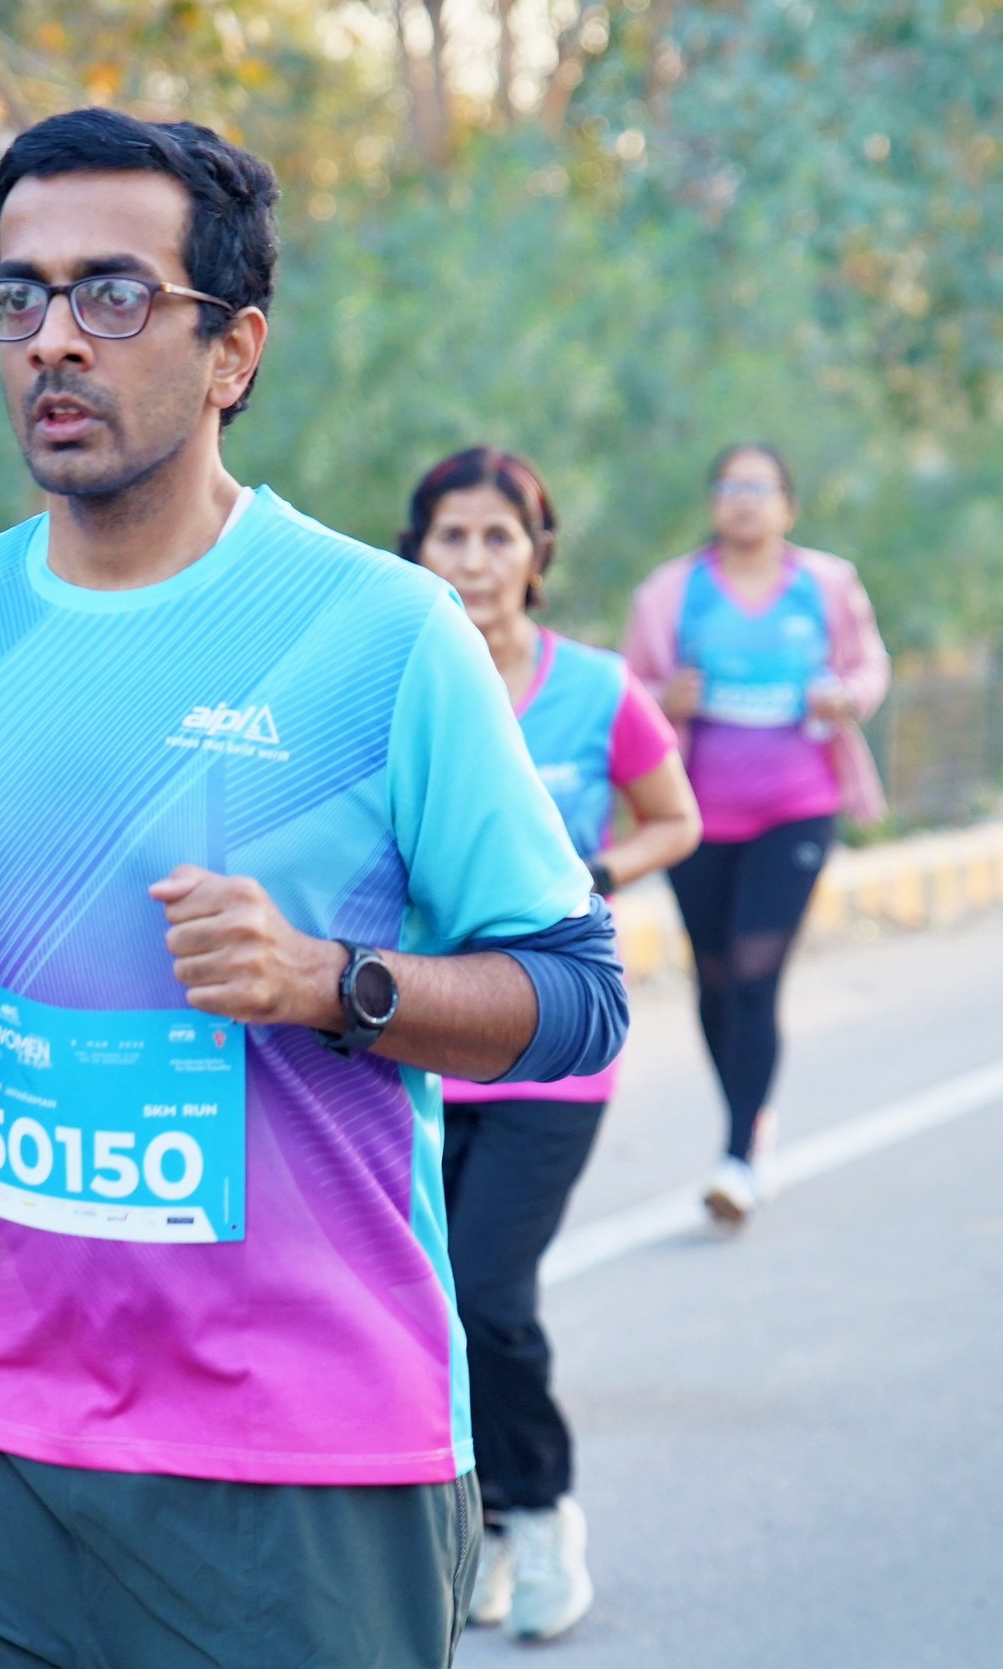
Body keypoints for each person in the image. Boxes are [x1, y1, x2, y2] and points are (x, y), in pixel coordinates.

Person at [0, 108, 629, 1669]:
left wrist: (330, 982)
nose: (53, 339)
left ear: (233, 350)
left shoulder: (381, 634)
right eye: (19, 295)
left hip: (304, 1442)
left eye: (112, 295)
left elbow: (580, 997)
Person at [399, 447, 700, 1641]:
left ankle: (543, 1510)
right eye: (452, 536)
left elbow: (676, 816)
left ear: (537, 557)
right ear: (418, 551)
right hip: (418, 1038)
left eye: (498, 537)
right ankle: (478, 1523)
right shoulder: (395, 677)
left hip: (551, 1045)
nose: (475, 560)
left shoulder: (597, 690)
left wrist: (597, 875)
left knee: (486, 1291)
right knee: (425, 1303)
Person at [622, 444, 890, 1225]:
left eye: (759, 488)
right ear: (712, 503)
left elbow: (868, 665)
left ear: (787, 506)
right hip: (693, 816)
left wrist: (847, 697)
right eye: (729, 487)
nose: (743, 500)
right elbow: (627, 689)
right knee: (713, 976)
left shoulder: (826, 585)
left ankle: (739, 1153)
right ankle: (748, 1115)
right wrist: (664, 696)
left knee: (753, 969)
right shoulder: (671, 593)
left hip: (797, 807)